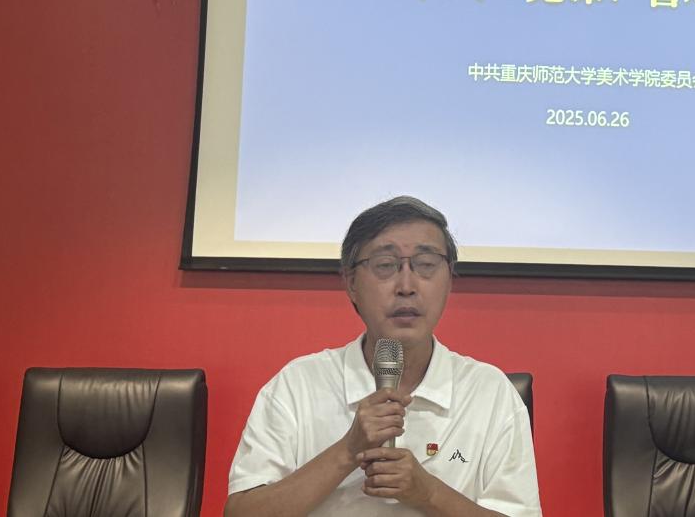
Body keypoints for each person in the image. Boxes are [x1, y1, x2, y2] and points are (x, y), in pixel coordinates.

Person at [225, 196, 541, 517]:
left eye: (426, 264)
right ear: (351, 283)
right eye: (385, 265)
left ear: (449, 279)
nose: (406, 286)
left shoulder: (489, 392)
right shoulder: (298, 385)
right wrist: (347, 451)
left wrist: (429, 493)